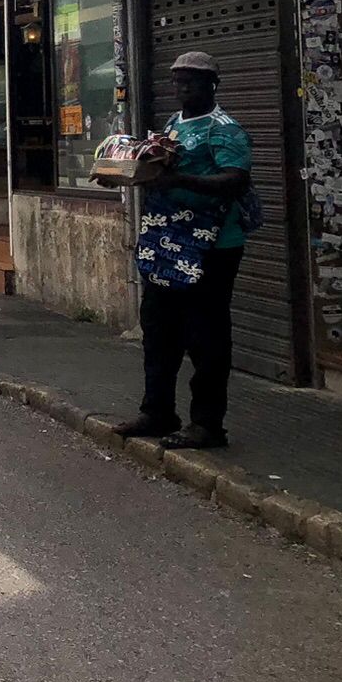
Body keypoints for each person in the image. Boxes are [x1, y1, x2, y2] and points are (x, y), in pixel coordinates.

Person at [113, 52, 252, 450]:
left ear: (212, 84)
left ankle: (208, 424)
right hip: (167, 242)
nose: (181, 89)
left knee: (206, 335)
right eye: (176, 81)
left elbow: (235, 181)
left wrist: (179, 179)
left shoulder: (224, 130)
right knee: (158, 329)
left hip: (211, 246)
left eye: (190, 81)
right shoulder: (175, 124)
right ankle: (157, 411)